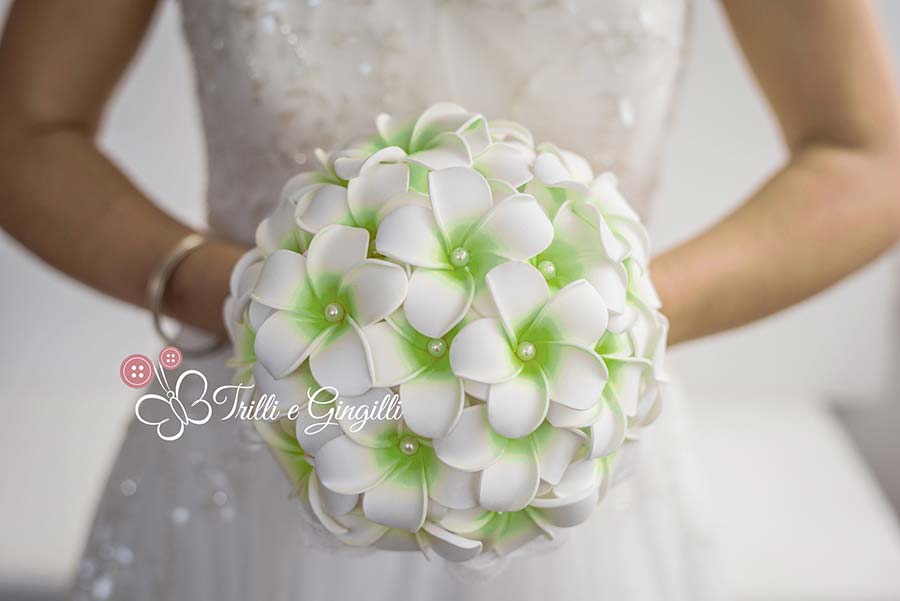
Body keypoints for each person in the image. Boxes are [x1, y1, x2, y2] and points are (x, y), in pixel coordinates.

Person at [0, 1, 898, 599]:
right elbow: (24, 132)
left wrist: (607, 320)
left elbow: (869, 157)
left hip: (575, 466)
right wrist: (248, 297)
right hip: (254, 432)